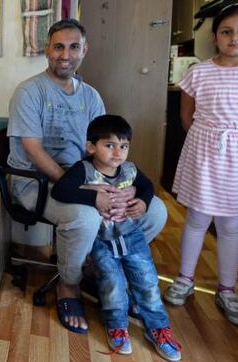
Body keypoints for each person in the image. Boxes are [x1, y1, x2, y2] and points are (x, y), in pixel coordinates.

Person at [7, 18, 167, 334]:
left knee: (156, 211)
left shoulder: (92, 97)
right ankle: (68, 286)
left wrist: (116, 187)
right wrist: (86, 190)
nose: (65, 55)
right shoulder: (29, 91)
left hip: (89, 178)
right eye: (58, 47)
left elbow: (103, 149)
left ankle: (98, 267)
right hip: (34, 182)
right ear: (47, 50)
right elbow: (33, 150)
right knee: (85, 217)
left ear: (84, 50)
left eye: (73, 47)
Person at [165, 3, 238, 327]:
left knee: (232, 225)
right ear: (215, 37)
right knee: (196, 218)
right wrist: (209, 142)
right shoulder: (199, 72)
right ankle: (185, 278)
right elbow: (187, 117)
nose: (235, 37)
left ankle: (227, 290)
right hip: (204, 152)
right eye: (226, 31)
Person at [52, 115, 182, 361]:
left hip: (132, 238)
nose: (117, 152)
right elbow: (61, 190)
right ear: (91, 147)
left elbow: (147, 186)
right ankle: (116, 325)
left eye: (123, 146)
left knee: (147, 281)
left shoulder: (130, 170)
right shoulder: (83, 169)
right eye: (109, 145)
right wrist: (93, 196)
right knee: (113, 282)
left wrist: (143, 202)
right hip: (102, 241)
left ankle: (158, 328)